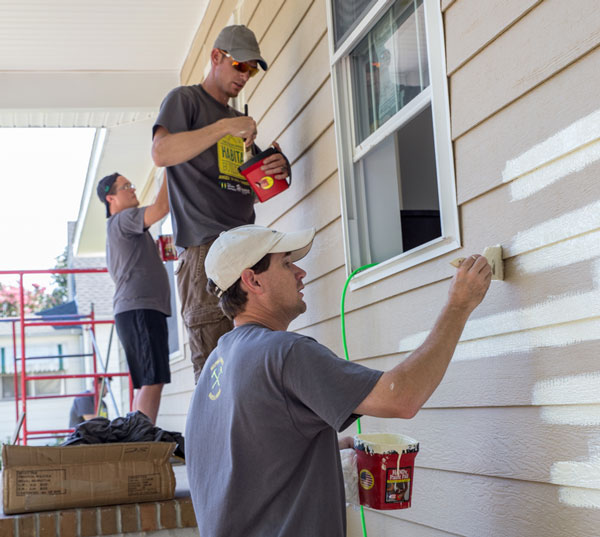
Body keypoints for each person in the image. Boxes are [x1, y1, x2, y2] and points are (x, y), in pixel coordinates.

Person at [185, 224, 492, 537]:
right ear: (253, 280)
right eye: (287, 263)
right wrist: (458, 305)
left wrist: (322, 450)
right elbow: (403, 397)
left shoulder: (214, 367)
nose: (300, 272)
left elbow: (246, 458)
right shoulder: (284, 352)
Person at [151, 24, 291, 381]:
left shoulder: (237, 121)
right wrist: (223, 128)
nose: (245, 76)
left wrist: (276, 168)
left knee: (252, 366)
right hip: (205, 251)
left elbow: (259, 187)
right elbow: (161, 152)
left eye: (252, 69)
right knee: (214, 372)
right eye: (240, 66)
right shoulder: (185, 100)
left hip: (248, 250)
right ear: (216, 57)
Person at [96, 172, 171, 424]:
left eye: (131, 184)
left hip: (136, 310)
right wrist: (172, 165)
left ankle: (136, 440)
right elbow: (161, 208)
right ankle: (143, 445)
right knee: (152, 380)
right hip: (140, 308)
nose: (132, 189)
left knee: (145, 383)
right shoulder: (123, 219)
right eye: (125, 186)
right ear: (110, 198)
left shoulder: (120, 226)